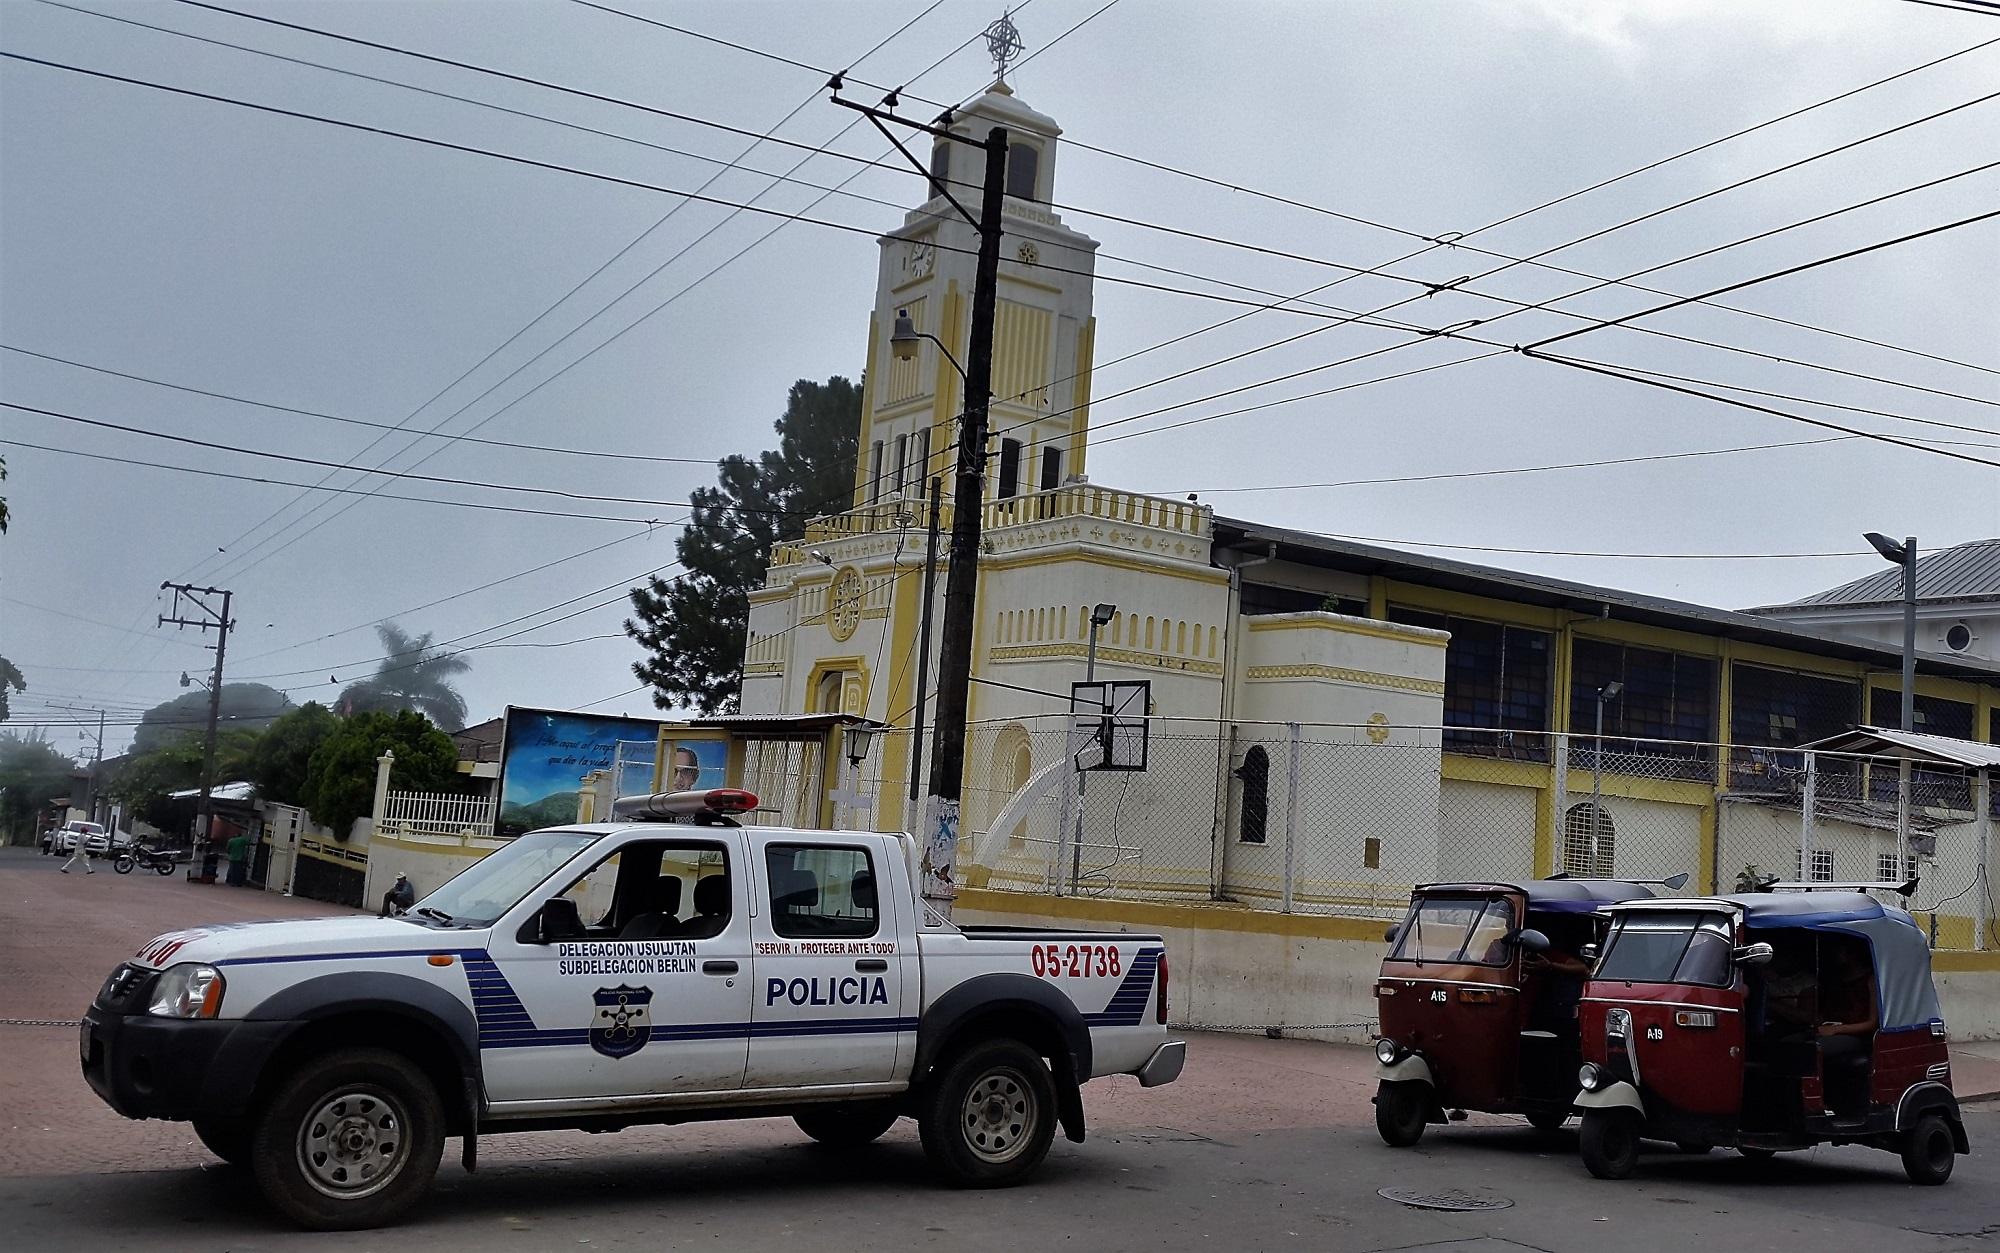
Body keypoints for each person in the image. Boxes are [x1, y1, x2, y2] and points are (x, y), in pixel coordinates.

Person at [1816, 941, 1878, 1115]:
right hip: (1831, 1030)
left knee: (1816, 1049)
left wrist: (1837, 1030)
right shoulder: (1836, 980)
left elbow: (1872, 1023)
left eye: (1841, 951)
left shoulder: (1870, 980)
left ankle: (1824, 1101)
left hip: (1858, 1036)